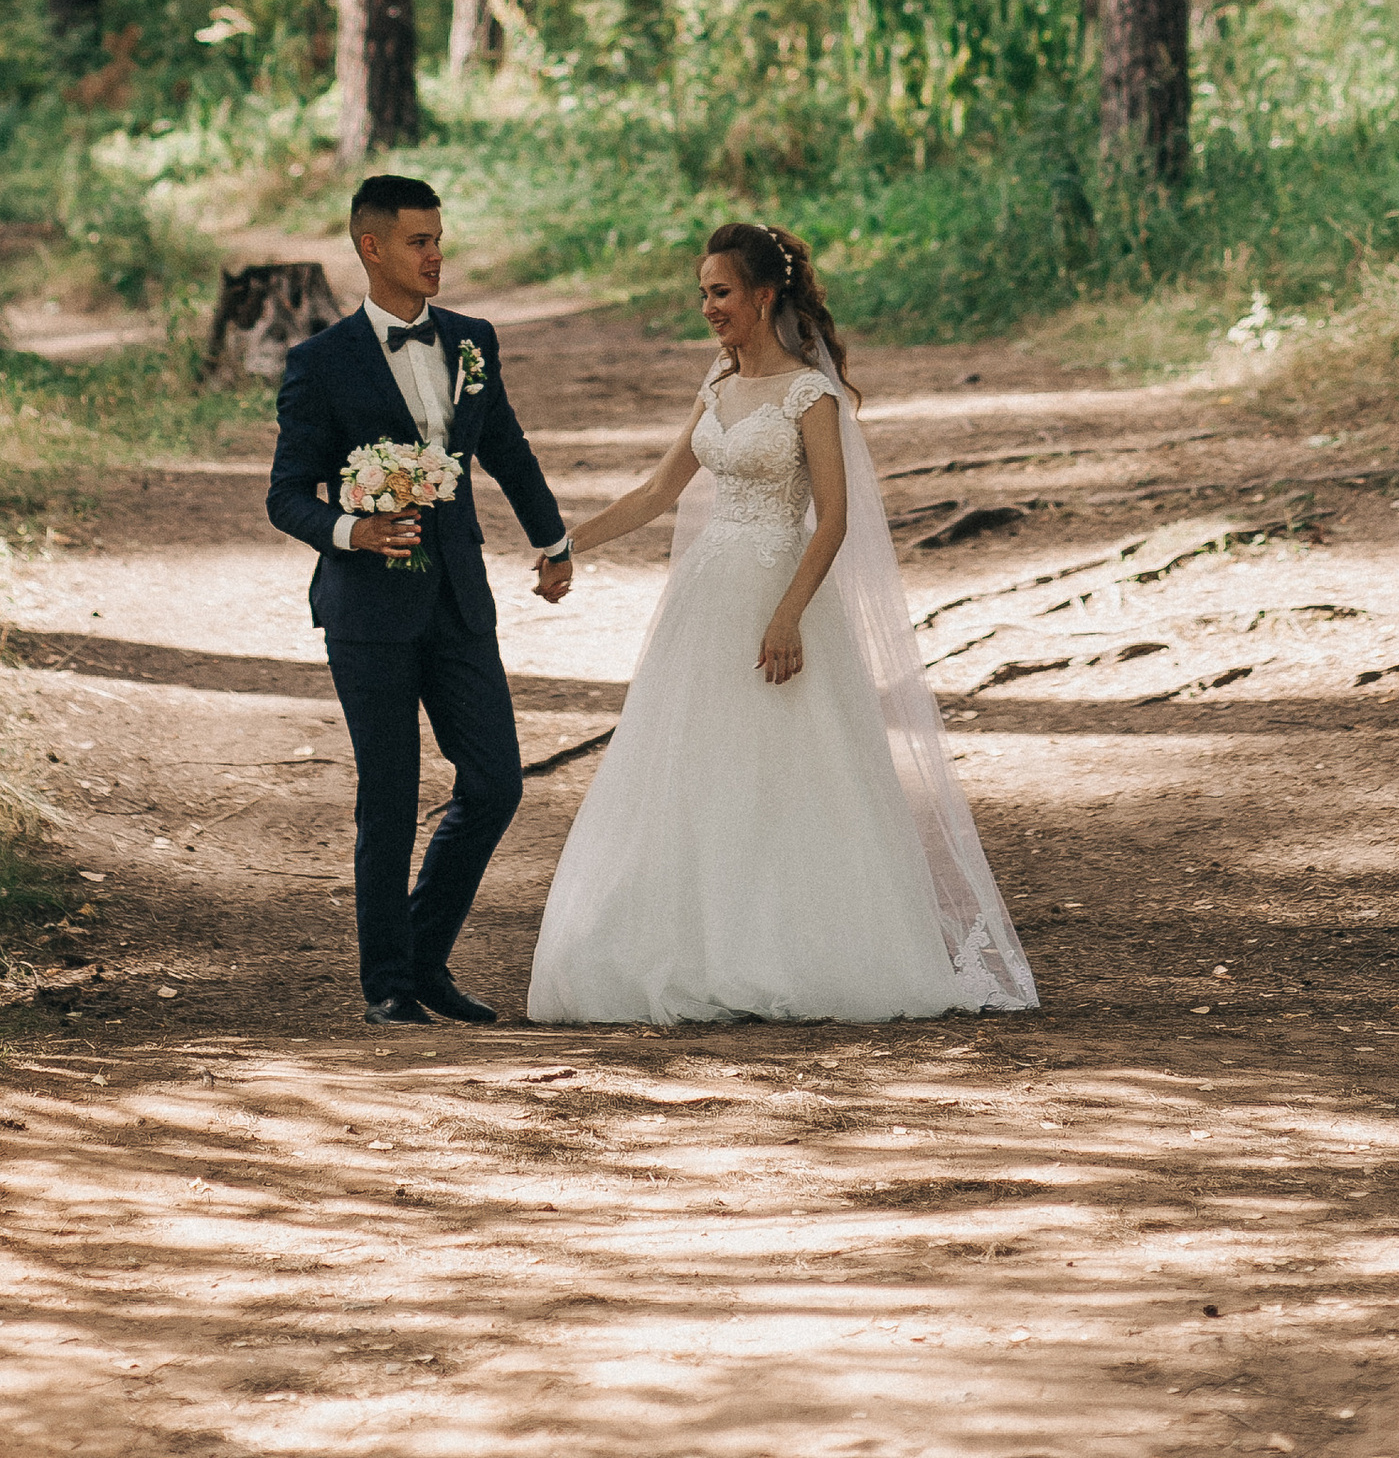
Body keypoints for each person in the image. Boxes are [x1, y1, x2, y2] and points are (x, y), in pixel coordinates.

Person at [527, 219, 1038, 1028]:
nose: (707, 307)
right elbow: (658, 494)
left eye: (720, 292)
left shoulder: (810, 393)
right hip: (706, 602)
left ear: (765, 296)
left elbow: (832, 518)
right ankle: (695, 942)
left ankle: (798, 945)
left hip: (779, 590)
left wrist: (789, 613)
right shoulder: (718, 386)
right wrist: (565, 544)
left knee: (788, 771)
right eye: (701, 293)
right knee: (699, 766)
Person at [267, 174, 574, 1028]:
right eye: (418, 241)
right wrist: (352, 532)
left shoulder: (473, 341)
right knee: (391, 793)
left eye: (439, 239)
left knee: (495, 781)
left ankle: (425, 957)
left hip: (459, 600)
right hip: (366, 611)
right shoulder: (319, 364)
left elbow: (505, 448)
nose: (436, 255)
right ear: (372, 248)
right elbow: (286, 494)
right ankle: (389, 986)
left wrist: (551, 541)